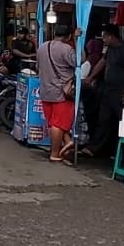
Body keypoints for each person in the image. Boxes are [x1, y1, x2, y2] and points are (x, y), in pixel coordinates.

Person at [79, 24, 124, 157]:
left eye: (105, 36)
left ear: (111, 36)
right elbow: (102, 63)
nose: (103, 39)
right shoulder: (110, 50)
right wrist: (90, 77)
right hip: (108, 90)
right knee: (103, 120)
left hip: (120, 91)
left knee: (122, 121)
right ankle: (95, 148)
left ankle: (123, 153)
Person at [37, 24, 78, 164]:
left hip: (45, 90)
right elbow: (79, 61)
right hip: (62, 92)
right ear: (68, 36)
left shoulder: (42, 47)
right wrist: (78, 42)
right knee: (59, 124)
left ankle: (67, 142)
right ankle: (55, 153)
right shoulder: (66, 49)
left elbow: (38, 67)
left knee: (52, 123)